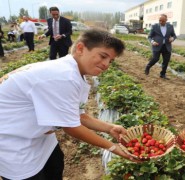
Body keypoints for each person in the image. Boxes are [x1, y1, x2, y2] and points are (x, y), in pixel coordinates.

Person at [0, 29, 138, 180]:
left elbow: (77, 115)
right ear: (80, 48)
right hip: (15, 145)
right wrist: (112, 147)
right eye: (103, 56)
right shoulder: (63, 76)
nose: (106, 64)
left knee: (55, 168)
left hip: (40, 139)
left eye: (110, 60)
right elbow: (72, 127)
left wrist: (110, 128)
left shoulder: (74, 72)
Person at [144, 14, 176, 79]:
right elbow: (149, 37)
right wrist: (152, 42)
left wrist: (172, 38)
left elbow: (174, 35)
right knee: (155, 58)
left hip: (166, 46)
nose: (161, 22)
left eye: (163, 21)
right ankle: (148, 66)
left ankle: (163, 74)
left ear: (166, 20)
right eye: (160, 20)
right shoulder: (155, 26)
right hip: (157, 45)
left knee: (166, 61)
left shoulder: (170, 26)